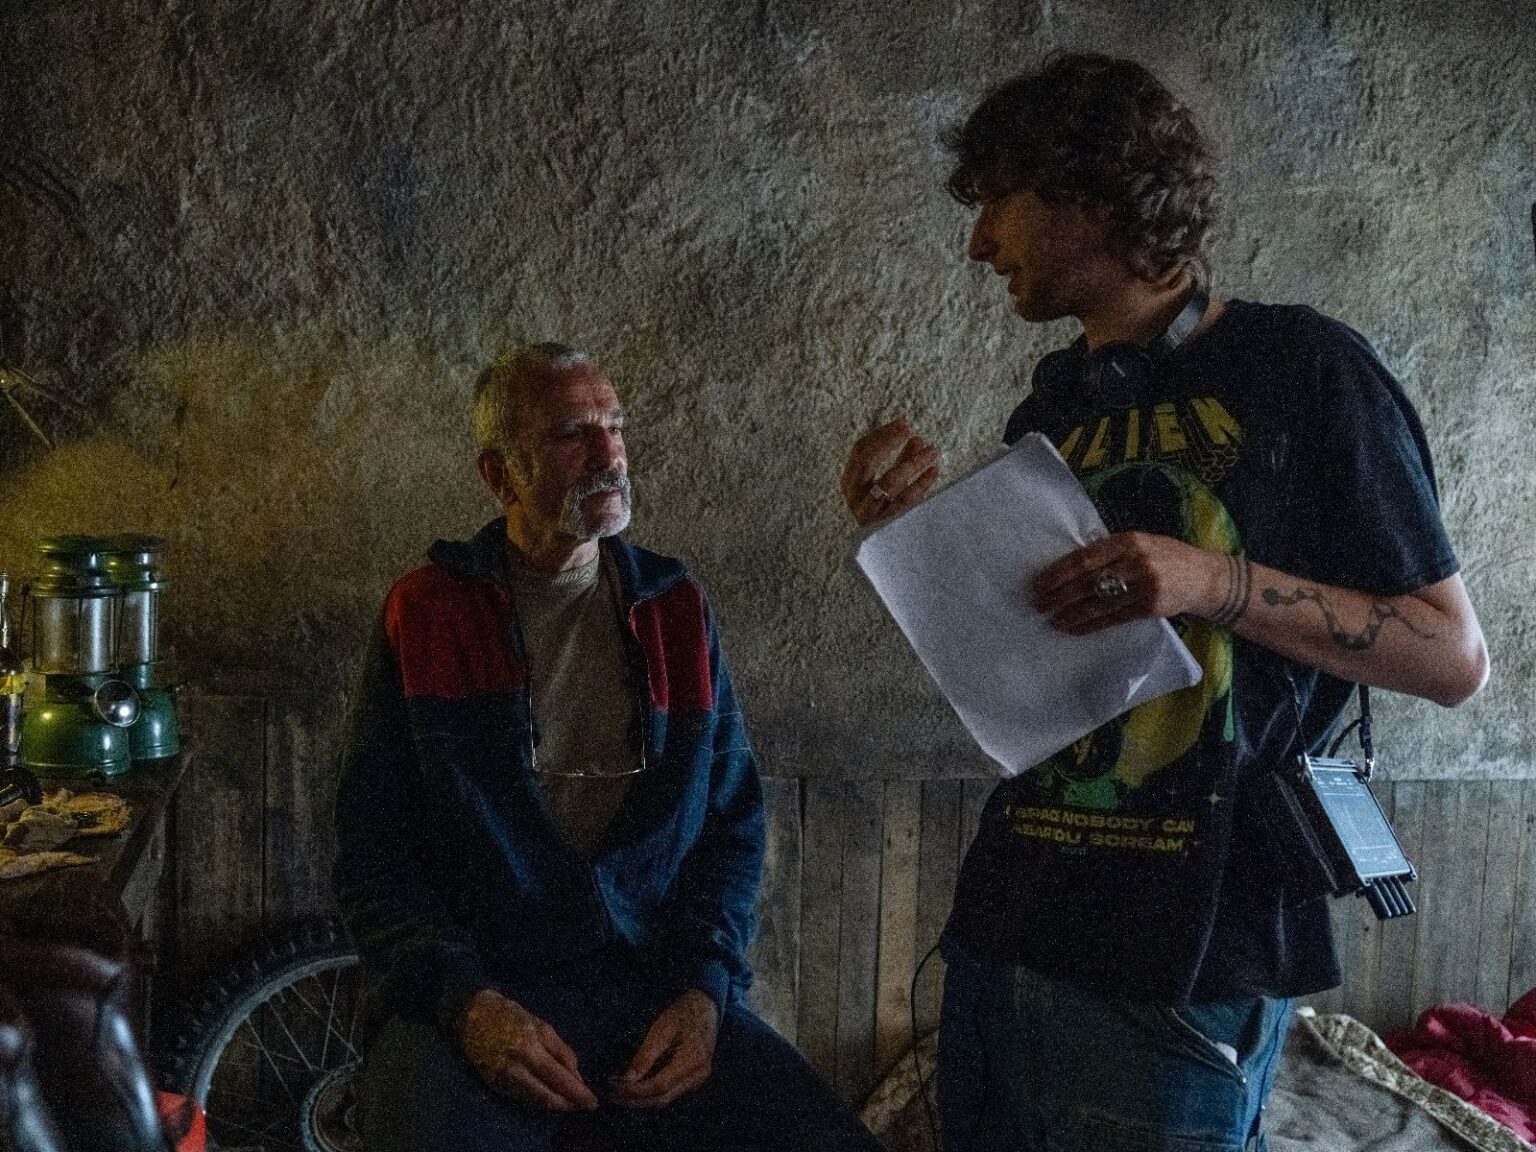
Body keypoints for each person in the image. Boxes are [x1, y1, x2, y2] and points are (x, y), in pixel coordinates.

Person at [840, 53, 1488, 1152]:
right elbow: (1035, 661)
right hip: (1009, 927)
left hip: (1187, 964)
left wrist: (1213, 582)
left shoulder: (1308, 368)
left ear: (1092, 193)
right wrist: (912, 535)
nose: (978, 243)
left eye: (998, 201)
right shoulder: (1054, 407)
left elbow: (1451, 656)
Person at [336, 343, 881, 1152]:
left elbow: (732, 828)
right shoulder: (428, 614)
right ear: (500, 475)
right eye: (571, 435)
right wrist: (467, 1004)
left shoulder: (674, 610)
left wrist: (703, 993)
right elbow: (373, 853)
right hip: (482, 993)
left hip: (649, 994)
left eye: (615, 427)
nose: (609, 455)